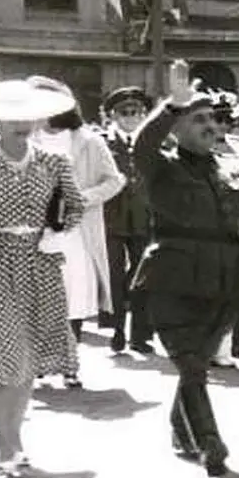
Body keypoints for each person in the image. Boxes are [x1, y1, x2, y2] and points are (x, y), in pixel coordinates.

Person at [130, 60, 239, 478]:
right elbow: (141, 145)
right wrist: (173, 105)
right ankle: (210, 442)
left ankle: (180, 425)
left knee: (197, 363)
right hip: (172, 278)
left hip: (226, 283)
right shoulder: (161, 167)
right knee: (191, 365)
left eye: (213, 118)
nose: (210, 126)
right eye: (198, 119)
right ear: (177, 128)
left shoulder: (237, 170)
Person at [0, 80, 84, 477]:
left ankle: (16, 442)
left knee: (26, 358)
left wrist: (55, 233)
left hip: (40, 264)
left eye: (28, 116)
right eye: (13, 117)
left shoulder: (54, 161)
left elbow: (75, 206)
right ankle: (5, 445)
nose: (22, 124)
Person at [29, 76, 127, 387]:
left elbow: (114, 180)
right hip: (34, 229)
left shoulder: (87, 140)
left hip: (75, 232)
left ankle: (70, 363)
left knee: (73, 294)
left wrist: (82, 199)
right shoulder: (26, 138)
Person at [101, 86, 156, 354]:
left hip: (143, 219)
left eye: (136, 112)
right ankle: (117, 329)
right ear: (113, 115)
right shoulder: (101, 142)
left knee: (142, 276)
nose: (130, 117)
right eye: (124, 112)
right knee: (114, 275)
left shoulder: (151, 143)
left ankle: (141, 335)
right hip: (111, 219)